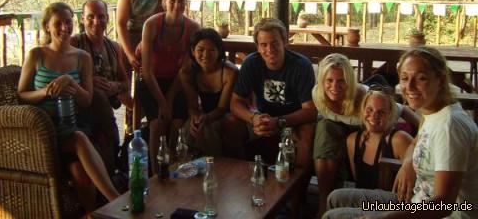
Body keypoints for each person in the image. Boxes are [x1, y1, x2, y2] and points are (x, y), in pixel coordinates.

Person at [323, 47, 478, 219]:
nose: (409, 86)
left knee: (334, 216)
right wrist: (408, 162)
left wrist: (385, 217)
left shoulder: (450, 126)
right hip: (415, 201)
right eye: (404, 78)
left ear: (441, 80)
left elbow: (444, 205)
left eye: (421, 78)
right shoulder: (431, 113)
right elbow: (416, 142)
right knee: (336, 198)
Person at [17, 2, 119, 213]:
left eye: (68, 22)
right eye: (58, 23)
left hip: (74, 126)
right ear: (47, 26)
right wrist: (45, 91)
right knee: (78, 139)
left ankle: (93, 214)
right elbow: (22, 94)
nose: (64, 27)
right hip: (46, 133)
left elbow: (87, 101)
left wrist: (71, 83)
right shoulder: (37, 55)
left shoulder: (83, 58)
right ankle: (118, 202)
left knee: (79, 170)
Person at [222, 18, 316, 217]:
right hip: (263, 120)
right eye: (263, 45)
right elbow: (235, 103)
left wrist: (280, 122)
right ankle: (245, 184)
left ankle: (296, 201)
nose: (269, 49)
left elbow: (310, 110)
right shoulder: (251, 63)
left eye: (274, 43)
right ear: (257, 46)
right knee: (230, 123)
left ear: (285, 42)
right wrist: (253, 118)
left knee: (308, 132)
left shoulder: (301, 65)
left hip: (292, 120)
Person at [313, 53, 419, 218]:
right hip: (353, 137)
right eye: (329, 81)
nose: (334, 86)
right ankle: (324, 200)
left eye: (341, 81)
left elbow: (403, 110)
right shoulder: (318, 96)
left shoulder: (365, 100)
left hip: (408, 204)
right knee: (324, 129)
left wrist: (421, 136)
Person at [140, 0, 200, 174]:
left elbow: (185, 69)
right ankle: (155, 170)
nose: (177, 5)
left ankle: (174, 164)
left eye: (181, 1)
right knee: (157, 122)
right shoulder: (151, 25)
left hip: (177, 81)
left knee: (176, 123)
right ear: (164, 2)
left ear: (186, 3)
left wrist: (170, 99)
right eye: (172, 0)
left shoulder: (192, 28)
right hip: (152, 81)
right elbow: (147, 71)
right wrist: (162, 102)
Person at [71, 0, 131, 174]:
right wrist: (87, 81)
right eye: (90, 17)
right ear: (82, 19)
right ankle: (115, 149)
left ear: (107, 19)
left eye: (101, 16)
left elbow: (126, 83)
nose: (96, 22)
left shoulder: (114, 47)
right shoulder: (75, 44)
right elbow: (61, 75)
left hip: (105, 111)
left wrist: (114, 86)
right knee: (96, 94)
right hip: (80, 111)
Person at [116, 0, 166, 131]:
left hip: (154, 39)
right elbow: (120, 23)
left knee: (149, 77)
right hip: (132, 37)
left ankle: (149, 113)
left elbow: (167, 20)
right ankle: (131, 113)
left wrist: (147, 44)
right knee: (121, 69)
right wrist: (129, 54)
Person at [179, 28, 238, 156]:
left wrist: (206, 118)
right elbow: (192, 105)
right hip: (204, 114)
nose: (205, 55)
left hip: (227, 115)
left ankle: (215, 168)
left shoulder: (229, 73)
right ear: (193, 51)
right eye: (200, 50)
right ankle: (183, 167)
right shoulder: (187, 72)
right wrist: (195, 117)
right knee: (190, 127)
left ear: (219, 52)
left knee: (208, 129)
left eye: (211, 50)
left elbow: (222, 108)